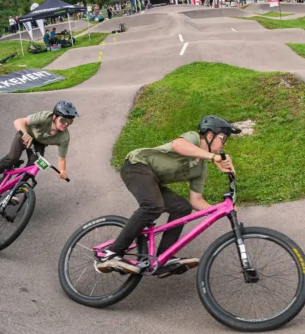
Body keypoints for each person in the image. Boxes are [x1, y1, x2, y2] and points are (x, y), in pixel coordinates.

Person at [95, 115, 239, 275]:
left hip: (152, 180)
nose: (225, 144)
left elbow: (195, 201)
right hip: (136, 166)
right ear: (210, 136)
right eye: (223, 138)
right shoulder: (193, 138)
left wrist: (221, 210)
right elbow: (178, 145)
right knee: (153, 206)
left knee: (182, 207)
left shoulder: (200, 169)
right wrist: (214, 157)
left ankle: (164, 258)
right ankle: (110, 253)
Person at [0, 100, 75, 192]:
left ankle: (12, 190)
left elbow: (62, 159)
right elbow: (19, 121)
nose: (66, 124)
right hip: (26, 133)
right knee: (12, 158)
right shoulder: (44, 117)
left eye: (70, 121)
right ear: (54, 117)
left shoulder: (64, 137)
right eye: (63, 120)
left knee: (34, 166)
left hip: (39, 144)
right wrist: (25, 133)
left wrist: (62, 171)